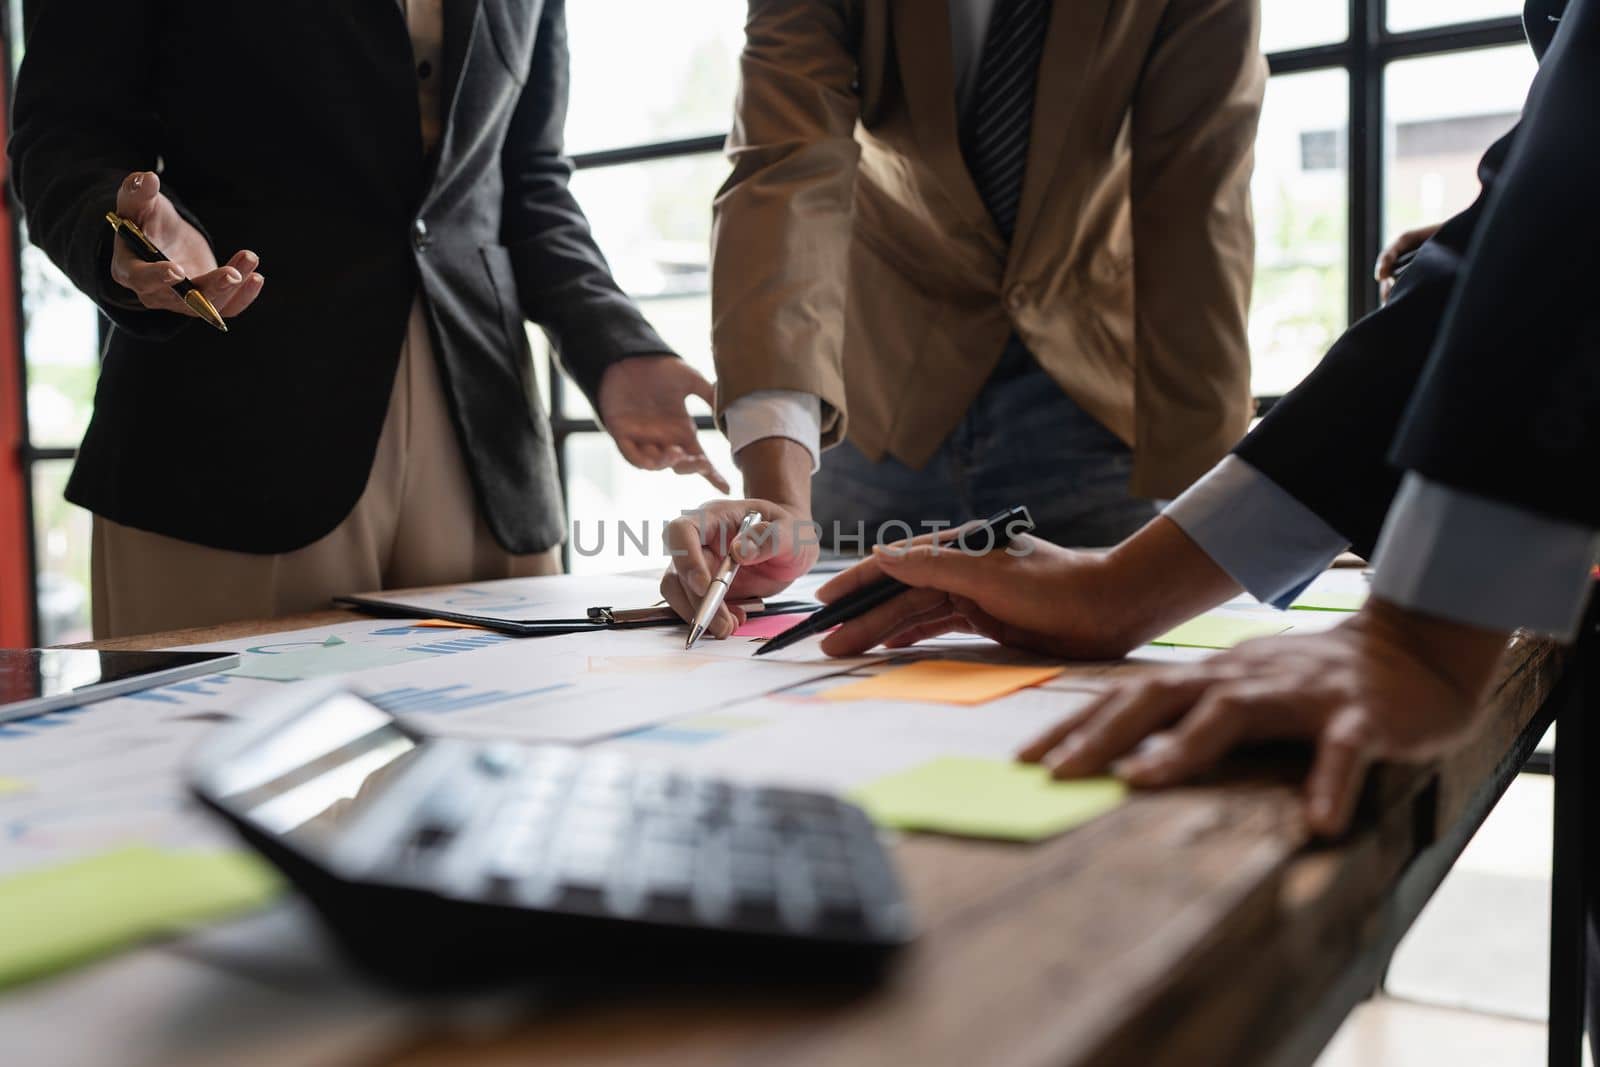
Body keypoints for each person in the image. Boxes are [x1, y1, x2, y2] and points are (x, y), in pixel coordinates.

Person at [810, 0, 1597, 835]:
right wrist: (1127, 586)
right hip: (892, 399)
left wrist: (1426, 633)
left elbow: (1561, 220)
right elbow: (1518, 244)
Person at [9, 0, 726, 638]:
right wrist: (125, 238)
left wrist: (616, 349)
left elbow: (528, 182)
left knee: (500, 769)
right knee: (198, 765)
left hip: (486, 442)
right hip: (228, 429)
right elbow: (65, 134)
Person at [658, 0, 1266, 635]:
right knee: (834, 669)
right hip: (879, 396)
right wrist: (780, 495)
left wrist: (1234, 511)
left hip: (1096, 395)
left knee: (1120, 673)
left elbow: (1199, 208)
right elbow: (785, 175)